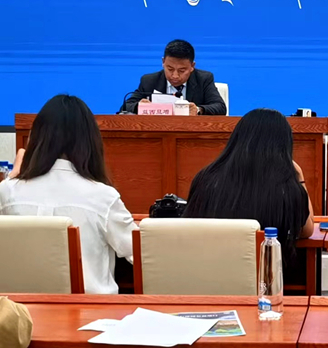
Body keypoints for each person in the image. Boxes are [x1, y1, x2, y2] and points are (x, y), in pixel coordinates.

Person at [0, 95, 137, 294]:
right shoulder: (103, 196)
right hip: (90, 310)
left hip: (20, 310)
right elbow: (142, 254)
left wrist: (10, 179)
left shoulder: (8, 191)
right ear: (90, 141)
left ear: (36, 137)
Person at [183, 108, 314, 261]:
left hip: (206, 267)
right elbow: (307, 230)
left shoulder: (206, 177)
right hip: (265, 272)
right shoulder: (286, 186)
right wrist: (299, 177)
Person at [122, 39, 227, 115]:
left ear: (192, 66)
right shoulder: (149, 81)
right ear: (163, 62)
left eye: (182, 71)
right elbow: (125, 107)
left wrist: (199, 110)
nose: (175, 76)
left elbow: (220, 107)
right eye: (170, 69)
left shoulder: (203, 79)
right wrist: (139, 106)